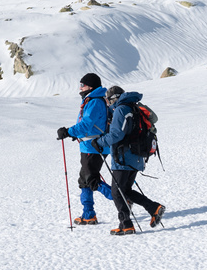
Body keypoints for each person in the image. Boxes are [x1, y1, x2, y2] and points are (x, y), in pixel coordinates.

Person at [90, 87, 165, 235]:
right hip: (136, 156)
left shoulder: (121, 109)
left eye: (108, 99)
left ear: (114, 98)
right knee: (125, 190)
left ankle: (126, 225)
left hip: (124, 157)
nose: (108, 103)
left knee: (117, 192)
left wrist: (99, 142)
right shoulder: (134, 107)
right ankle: (153, 208)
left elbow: (116, 134)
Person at [56, 73, 111, 225]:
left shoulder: (94, 102)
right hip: (89, 146)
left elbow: (86, 124)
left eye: (82, 85)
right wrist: (76, 134)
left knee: (92, 181)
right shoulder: (93, 100)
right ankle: (88, 214)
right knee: (84, 181)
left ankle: (123, 197)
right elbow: (89, 125)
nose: (80, 88)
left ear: (91, 86)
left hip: (93, 148)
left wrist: (68, 132)